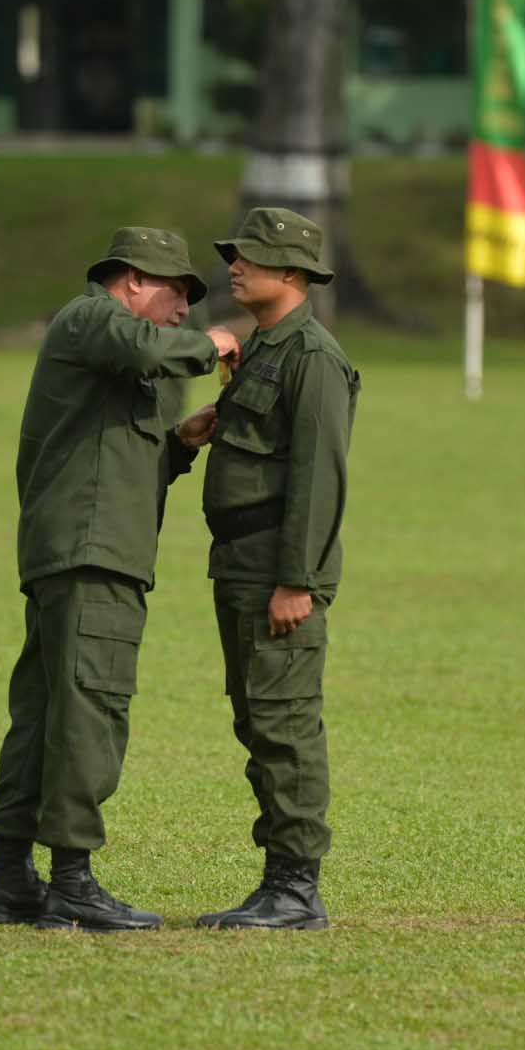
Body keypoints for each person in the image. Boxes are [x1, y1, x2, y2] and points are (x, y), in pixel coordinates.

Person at [0, 226, 241, 932]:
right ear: (131, 281)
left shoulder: (117, 360)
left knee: (46, 710)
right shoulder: (93, 317)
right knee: (92, 707)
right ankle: (71, 880)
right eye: (177, 292)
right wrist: (214, 345)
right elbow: (154, 348)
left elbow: (118, 463)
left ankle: (11, 879)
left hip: (82, 548)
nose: (185, 309)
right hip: (91, 554)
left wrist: (179, 445)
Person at [195, 208, 359, 932]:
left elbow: (319, 479)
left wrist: (298, 579)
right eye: (234, 255)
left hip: (275, 572)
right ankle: (277, 882)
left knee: (285, 723)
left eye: (251, 258)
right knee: (257, 718)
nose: (235, 266)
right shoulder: (264, 349)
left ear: (291, 274)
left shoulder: (312, 358)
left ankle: (295, 889)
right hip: (239, 565)